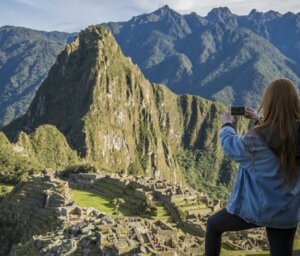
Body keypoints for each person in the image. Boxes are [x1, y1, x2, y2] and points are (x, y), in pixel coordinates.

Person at [205, 78, 300, 256]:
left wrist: (227, 124)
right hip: (287, 210)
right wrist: (258, 120)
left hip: (259, 209)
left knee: (213, 226)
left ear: (269, 102)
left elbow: (230, 146)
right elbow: (280, 138)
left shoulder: (256, 138)